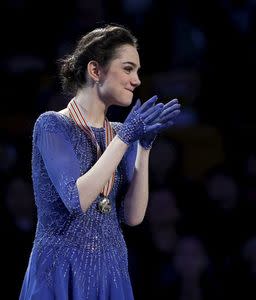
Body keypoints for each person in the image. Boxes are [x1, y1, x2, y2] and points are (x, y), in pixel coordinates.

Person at [19, 23, 181, 299]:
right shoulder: (52, 125)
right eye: (128, 69)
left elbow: (133, 217)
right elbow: (76, 198)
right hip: (61, 269)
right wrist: (126, 137)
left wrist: (143, 147)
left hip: (111, 268)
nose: (137, 80)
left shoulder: (119, 133)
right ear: (95, 71)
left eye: (138, 71)